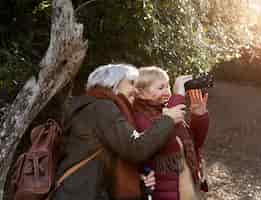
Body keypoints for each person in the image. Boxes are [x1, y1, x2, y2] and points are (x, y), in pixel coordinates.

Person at [51, 64, 186, 200]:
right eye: (131, 83)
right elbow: (135, 148)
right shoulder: (102, 108)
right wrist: (168, 120)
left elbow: (108, 161)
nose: (135, 89)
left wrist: (138, 180)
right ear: (113, 83)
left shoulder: (91, 106)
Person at [133, 66, 209, 200]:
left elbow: (196, 142)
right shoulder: (140, 117)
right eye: (161, 88)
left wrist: (199, 116)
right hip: (164, 194)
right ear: (140, 93)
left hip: (189, 190)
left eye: (168, 86)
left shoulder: (167, 111)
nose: (168, 92)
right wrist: (178, 96)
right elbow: (160, 134)